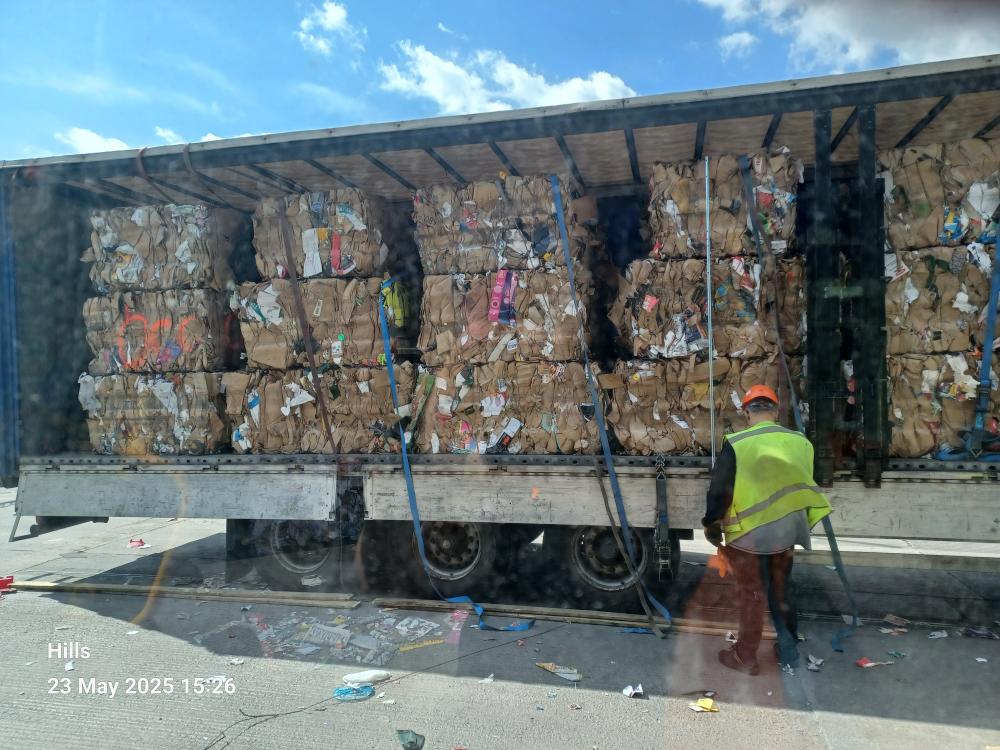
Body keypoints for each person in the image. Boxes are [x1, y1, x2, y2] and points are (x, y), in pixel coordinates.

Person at [702, 384, 832, 675]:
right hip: (787, 532)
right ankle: (788, 653)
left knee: (751, 593)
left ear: (747, 413)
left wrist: (711, 522)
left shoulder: (737, 443)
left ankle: (745, 657)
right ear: (775, 411)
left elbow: (720, 488)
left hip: (750, 535)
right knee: (781, 590)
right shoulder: (801, 442)